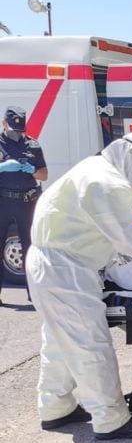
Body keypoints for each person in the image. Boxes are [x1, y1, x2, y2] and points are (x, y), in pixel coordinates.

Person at [27, 132, 132, 440]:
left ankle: (55, 407)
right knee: (89, 343)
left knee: (60, 340)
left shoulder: (91, 169)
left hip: (50, 262)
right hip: (67, 269)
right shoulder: (107, 184)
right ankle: (111, 419)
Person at [0, 106, 48, 303]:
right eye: (13, 129)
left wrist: (31, 170)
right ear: (4, 123)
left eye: (19, 130)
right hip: (3, 200)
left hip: (26, 201)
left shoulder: (32, 145)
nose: (16, 133)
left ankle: (33, 293)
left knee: (30, 248)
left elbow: (44, 174)